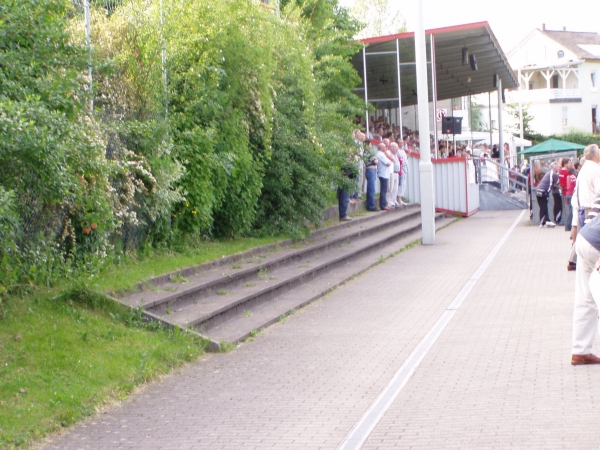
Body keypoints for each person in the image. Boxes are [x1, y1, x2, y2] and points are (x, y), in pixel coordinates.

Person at [571, 195, 600, 365]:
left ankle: (580, 351)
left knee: (585, 298)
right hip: (596, 245)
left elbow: (593, 213)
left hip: (585, 237)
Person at [536, 162, 559, 227]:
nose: (559, 168)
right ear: (554, 168)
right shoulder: (554, 174)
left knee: (542, 207)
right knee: (544, 207)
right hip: (544, 191)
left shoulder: (548, 173)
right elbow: (558, 183)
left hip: (538, 190)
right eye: (558, 167)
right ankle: (543, 222)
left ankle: (545, 221)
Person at [376, 143, 393, 211]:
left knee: (384, 190)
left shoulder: (382, 154)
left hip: (385, 174)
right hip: (383, 174)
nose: (386, 148)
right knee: (383, 190)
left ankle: (385, 204)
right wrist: (390, 161)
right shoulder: (380, 154)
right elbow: (388, 163)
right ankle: (383, 205)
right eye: (384, 147)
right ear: (381, 148)